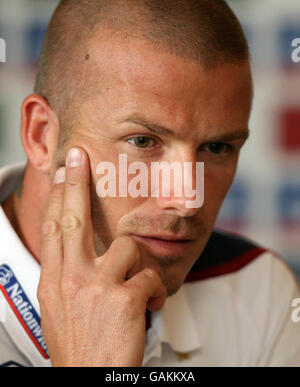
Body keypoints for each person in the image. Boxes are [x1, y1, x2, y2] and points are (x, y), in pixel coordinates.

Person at [0, 0, 299, 367]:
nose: (187, 199)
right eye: (142, 141)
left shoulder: (257, 290)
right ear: (41, 136)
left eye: (217, 147)